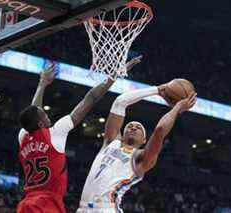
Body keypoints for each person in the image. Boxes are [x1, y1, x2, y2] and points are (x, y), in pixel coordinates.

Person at [17, 57, 142, 213]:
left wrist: (42, 85)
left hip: (26, 203)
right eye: (45, 115)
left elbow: (33, 111)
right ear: (41, 124)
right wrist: (114, 76)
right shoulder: (56, 132)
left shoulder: (23, 136)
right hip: (46, 204)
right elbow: (90, 98)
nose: (47, 115)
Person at [77, 83, 197, 213]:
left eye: (138, 128)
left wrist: (177, 107)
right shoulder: (111, 142)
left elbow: (160, 130)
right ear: (122, 136)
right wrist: (157, 89)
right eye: (130, 126)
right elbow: (120, 102)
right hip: (82, 209)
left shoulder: (140, 158)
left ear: (144, 140)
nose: (133, 127)